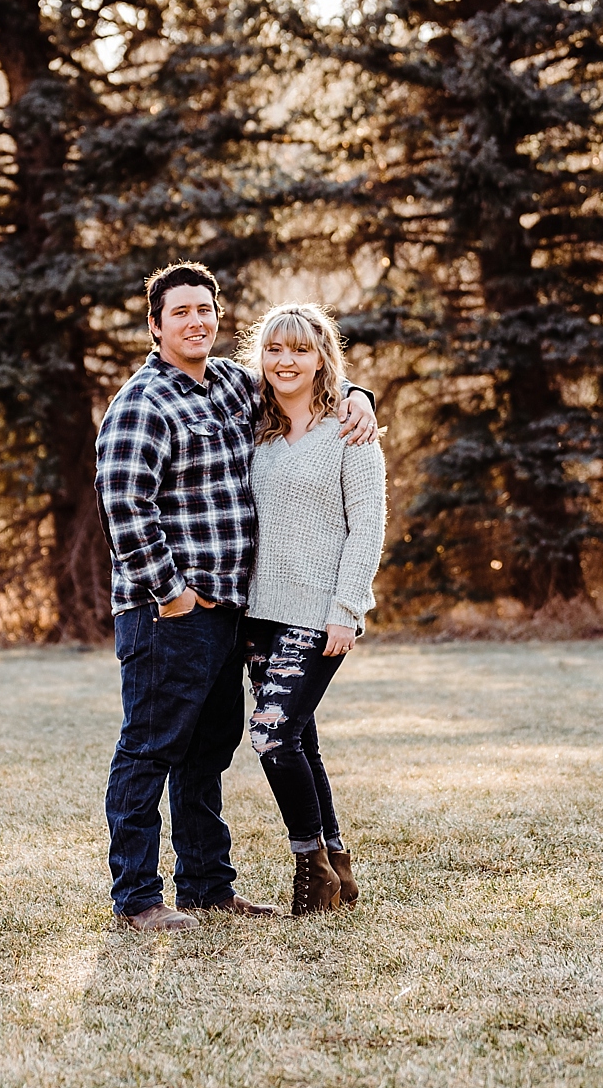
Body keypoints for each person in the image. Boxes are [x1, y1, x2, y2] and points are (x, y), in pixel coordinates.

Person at [94, 263, 377, 933]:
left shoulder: (227, 384)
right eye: (181, 311)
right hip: (169, 612)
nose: (196, 320)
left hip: (230, 612)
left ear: (218, 317)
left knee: (207, 752)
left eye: (205, 309)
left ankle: (206, 885)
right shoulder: (142, 402)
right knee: (149, 750)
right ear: (155, 324)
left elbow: (303, 379)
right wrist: (171, 593)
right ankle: (137, 898)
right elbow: (124, 506)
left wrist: (360, 394)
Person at [238, 303, 386, 916]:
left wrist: (346, 608)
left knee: (272, 736)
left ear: (322, 355)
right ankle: (340, 869)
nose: (285, 361)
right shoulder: (255, 425)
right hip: (256, 615)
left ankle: (312, 872)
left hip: (318, 611)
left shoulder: (349, 431)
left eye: (300, 349)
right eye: (274, 349)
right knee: (300, 739)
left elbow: (367, 526)